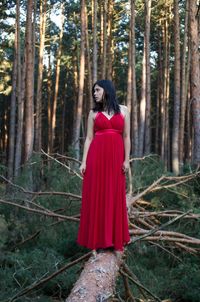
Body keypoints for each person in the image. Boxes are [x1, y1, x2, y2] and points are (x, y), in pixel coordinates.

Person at [77, 79, 130, 255]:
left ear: (106, 90)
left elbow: (126, 137)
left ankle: (114, 241)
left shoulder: (124, 110)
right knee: (97, 196)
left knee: (114, 194)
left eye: (97, 90)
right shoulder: (93, 113)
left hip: (116, 160)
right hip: (96, 159)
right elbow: (89, 138)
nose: (94, 93)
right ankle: (97, 242)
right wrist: (84, 162)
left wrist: (126, 160)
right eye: (94, 91)